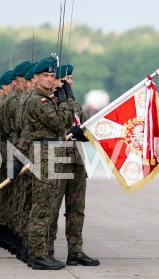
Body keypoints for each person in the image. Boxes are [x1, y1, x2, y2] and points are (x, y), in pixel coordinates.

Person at [14, 57, 74, 270]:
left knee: (47, 204)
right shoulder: (38, 100)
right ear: (36, 77)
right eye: (45, 76)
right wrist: (66, 101)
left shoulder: (44, 99)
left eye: (52, 76)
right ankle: (38, 254)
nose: (50, 80)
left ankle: (38, 252)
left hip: (49, 150)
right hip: (44, 152)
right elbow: (60, 122)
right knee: (43, 205)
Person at [50, 64, 100, 267]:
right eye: (65, 79)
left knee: (76, 209)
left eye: (70, 78)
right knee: (51, 208)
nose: (69, 82)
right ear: (55, 81)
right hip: (56, 160)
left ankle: (75, 251)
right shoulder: (49, 102)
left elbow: (86, 131)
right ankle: (45, 250)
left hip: (76, 161)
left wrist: (83, 133)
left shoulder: (75, 105)